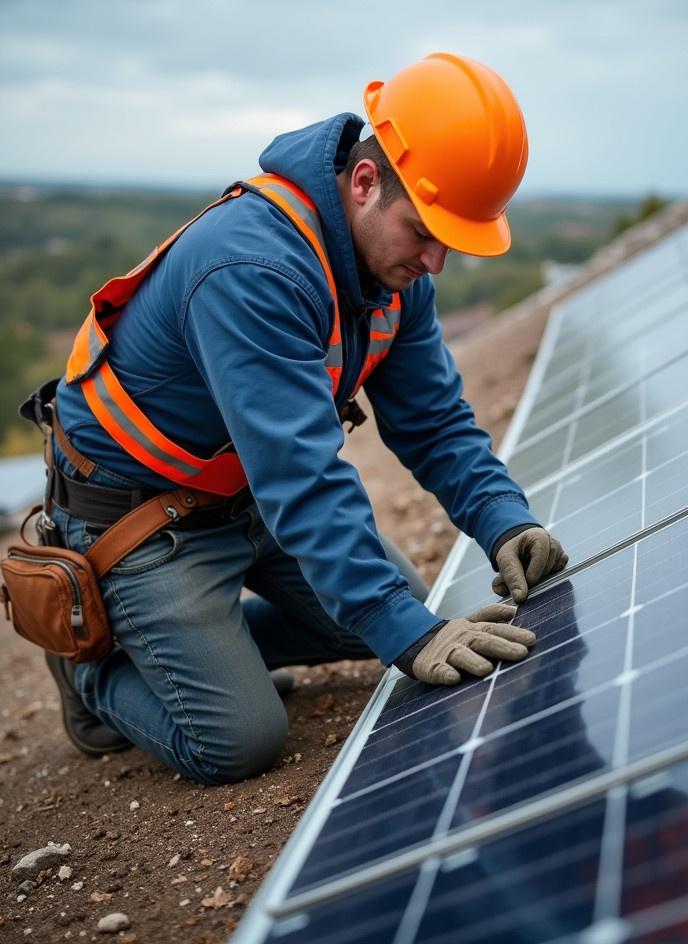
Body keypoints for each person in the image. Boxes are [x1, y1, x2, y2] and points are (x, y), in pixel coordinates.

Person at [43, 52, 567, 785]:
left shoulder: (393, 271)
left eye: (452, 240)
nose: (437, 262)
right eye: (424, 232)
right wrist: (404, 635)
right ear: (363, 183)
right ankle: (96, 672)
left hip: (246, 495)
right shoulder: (252, 270)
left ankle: (207, 656)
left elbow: (435, 421)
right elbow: (303, 476)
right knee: (241, 739)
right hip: (144, 519)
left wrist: (505, 519)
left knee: (400, 609)